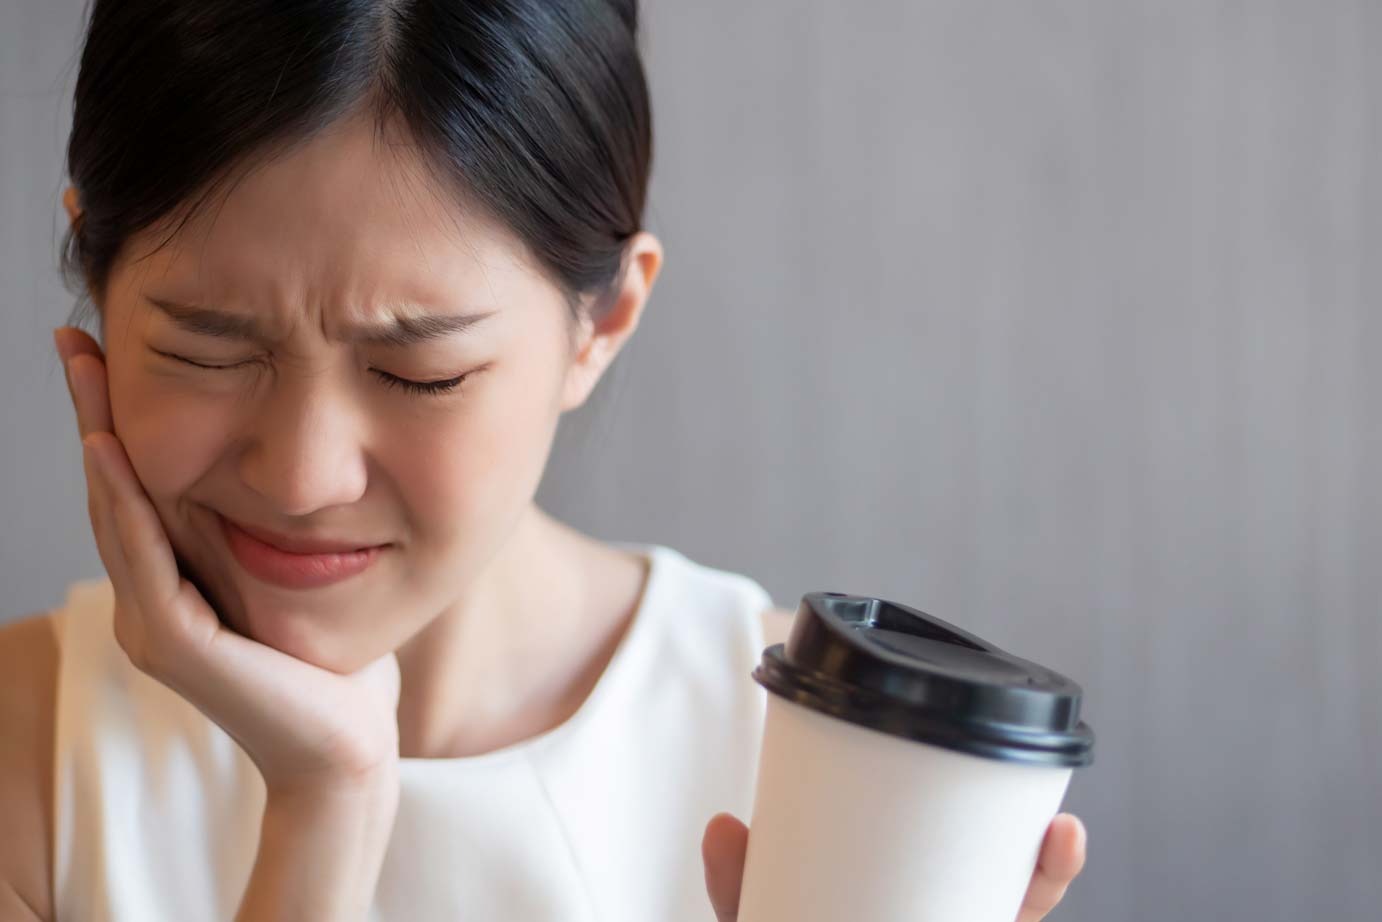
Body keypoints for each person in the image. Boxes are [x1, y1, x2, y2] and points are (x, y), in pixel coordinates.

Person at [0, 1, 1088, 919]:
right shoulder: (29, 754)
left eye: (418, 372)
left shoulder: (814, 760)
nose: (301, 476)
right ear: (96, 284)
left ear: (601, 321)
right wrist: (324, 805)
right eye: (206, 348)